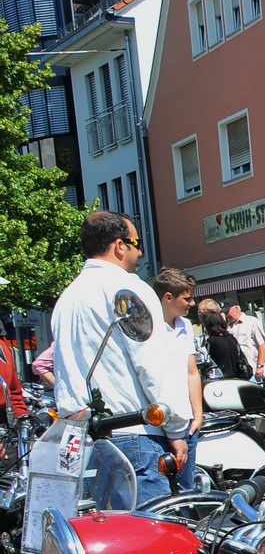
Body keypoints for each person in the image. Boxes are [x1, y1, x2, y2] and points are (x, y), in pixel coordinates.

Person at [50, 210, 193, 503]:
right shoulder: (128, 289)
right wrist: (177, 429)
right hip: (131, 434)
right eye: (136, 242)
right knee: (150, 540)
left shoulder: (68, 297)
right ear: (119, 245)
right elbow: (154, 367)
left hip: (80, 439)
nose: (140, 252)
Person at [153, 268, 205, 491]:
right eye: (187, 298)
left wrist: (198, 415)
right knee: (163, 491)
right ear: (168, 298)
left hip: (185, 421)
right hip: (159, 421)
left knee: (186, 489)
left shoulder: (184, 325)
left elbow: (191, 371)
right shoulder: (150, 327)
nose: (192, 303)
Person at [202, 309, 249, 381]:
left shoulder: (211, 341)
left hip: (220, 379)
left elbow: (206, 362)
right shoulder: (231, 338)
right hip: (236, 377)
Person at [226, 303, 265, 383]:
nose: (227, 315)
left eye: (228, 311)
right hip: (236, 372)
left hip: (251, 371)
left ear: (237, 308)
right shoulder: (228, 326)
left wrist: (260, 366)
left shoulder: (252, 322)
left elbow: (262, 344)